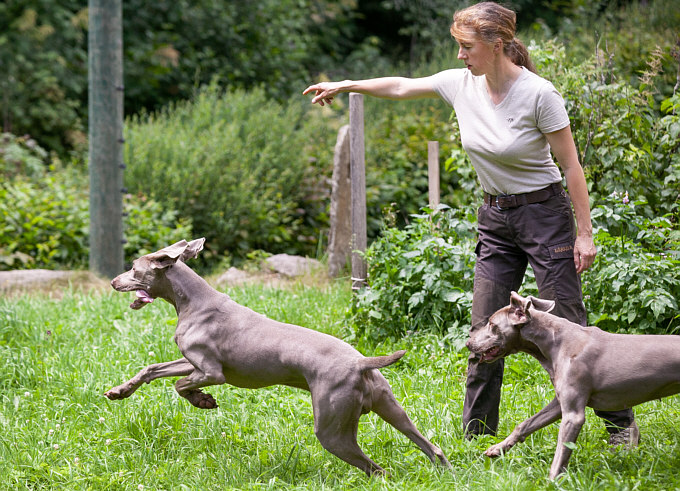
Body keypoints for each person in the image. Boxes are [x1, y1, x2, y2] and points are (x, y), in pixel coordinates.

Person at [303, 1, 639, 446]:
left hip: (545, 216)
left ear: (496, 44)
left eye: (466, 47)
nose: (460, 55)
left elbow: (572, 166)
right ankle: (478, 436)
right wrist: (347, 84)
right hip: (496, 219)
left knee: (570, 329)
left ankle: (619, 425)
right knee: (485, 328)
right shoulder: (461, 84)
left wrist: (585, 231)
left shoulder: (539, 93)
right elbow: (403, 86)